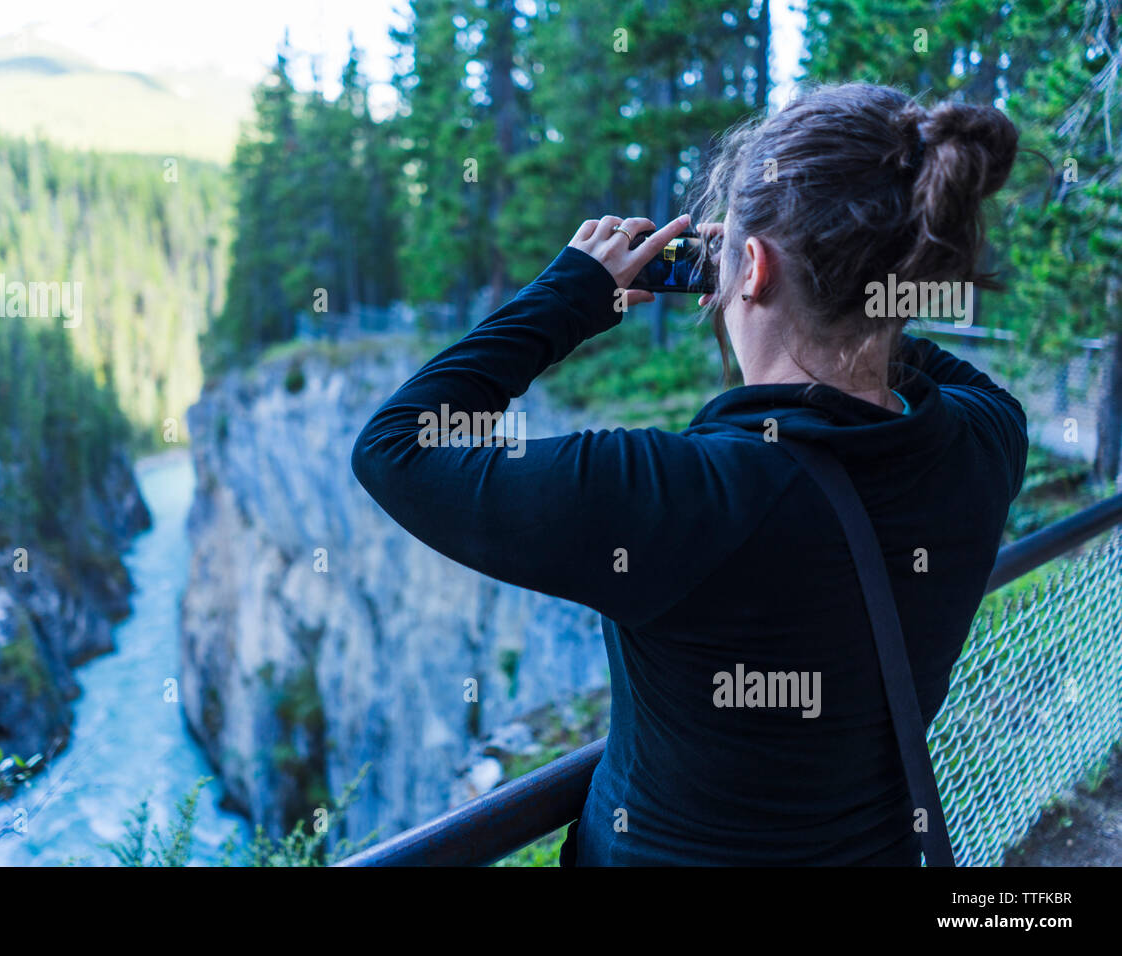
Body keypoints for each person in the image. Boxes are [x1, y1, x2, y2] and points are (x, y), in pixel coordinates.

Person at [350, 83, 1029, 865]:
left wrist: (571, 293)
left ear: (749, 266)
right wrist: (830, 296)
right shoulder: (982, 448)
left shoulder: (676, 495)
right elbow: (954, 381)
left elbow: (396, 448)